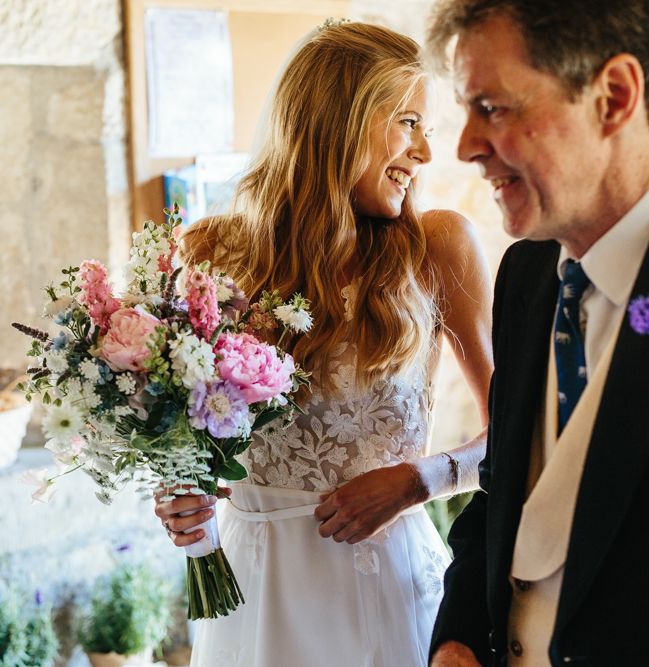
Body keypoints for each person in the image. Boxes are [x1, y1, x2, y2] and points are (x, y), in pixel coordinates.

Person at [155, 21, 493, 667]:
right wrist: (179, 495)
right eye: (407, 122)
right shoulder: (207, 252)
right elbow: (183, 431)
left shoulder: (437, 247)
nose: (423, 153)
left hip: (386, 583)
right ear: (338, 123)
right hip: (255, 593)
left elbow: (515, 432)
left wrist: (417, 480)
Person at [425, 1, 649, 665]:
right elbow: (502, 494)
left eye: (491, 107)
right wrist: (458, 633)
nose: (464, 145)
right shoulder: (526, 274)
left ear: (611, 97)